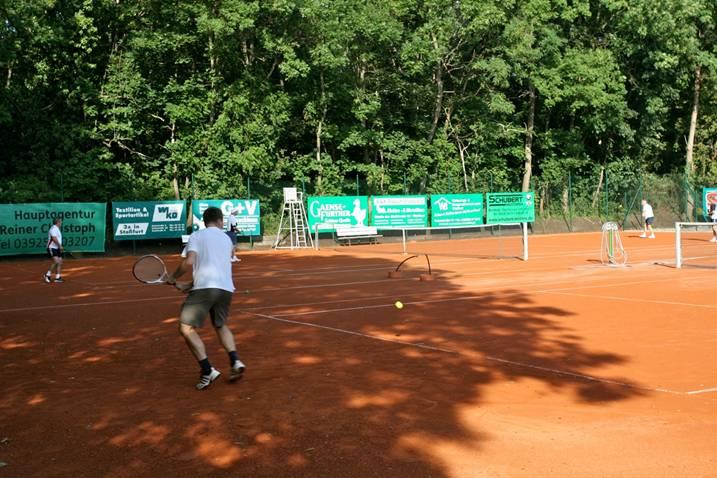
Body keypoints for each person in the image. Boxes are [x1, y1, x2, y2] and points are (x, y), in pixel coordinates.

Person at [167, 206, 246, 390]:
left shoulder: (197, 236)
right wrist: (188, 285)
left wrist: (173, 277)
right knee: (220, 325)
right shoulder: (227, 239)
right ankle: (235, 361)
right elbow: (217, 268)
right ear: (219, 221)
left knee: (185, 328)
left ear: (205, 221)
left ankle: (207, 369)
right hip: (225, 289)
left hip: (205, 289)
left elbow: (189, 262)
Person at [44, 218, 64, 283]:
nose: (61, 223)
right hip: (52, 247)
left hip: (57, 248)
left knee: (60, 261)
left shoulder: (57, 229)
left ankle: (57, 277)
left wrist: (59, 247)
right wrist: (60, 246)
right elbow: (54, 238)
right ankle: (47, 275)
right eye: (61, 222)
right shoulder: (53, 229)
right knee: (56, 261)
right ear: (58, 222)